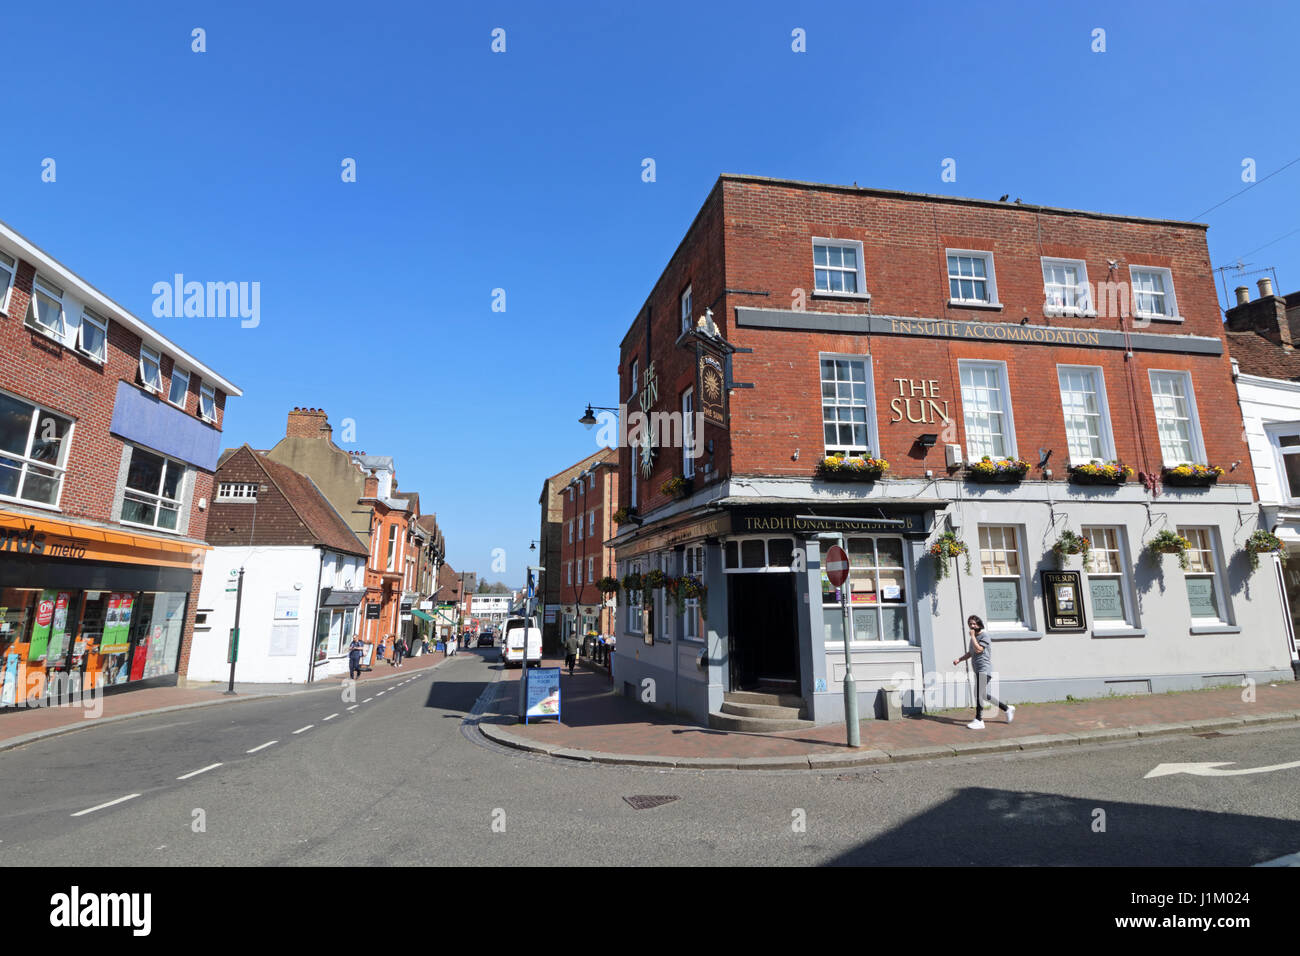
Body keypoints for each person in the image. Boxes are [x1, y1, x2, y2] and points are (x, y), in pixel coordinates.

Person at [953, 614, 1015, 729]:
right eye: (970, 624)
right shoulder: (974, 638)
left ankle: (979, 720)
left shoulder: (984, 636)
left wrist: (972, 637)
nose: (972, 626)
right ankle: (1007, 708)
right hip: (977, 670)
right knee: (983, 695)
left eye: (974, 623)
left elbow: (979, 649)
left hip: (985, 669)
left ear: (979, 624)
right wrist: (959, 659)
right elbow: (971, 653)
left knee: (978, 693)